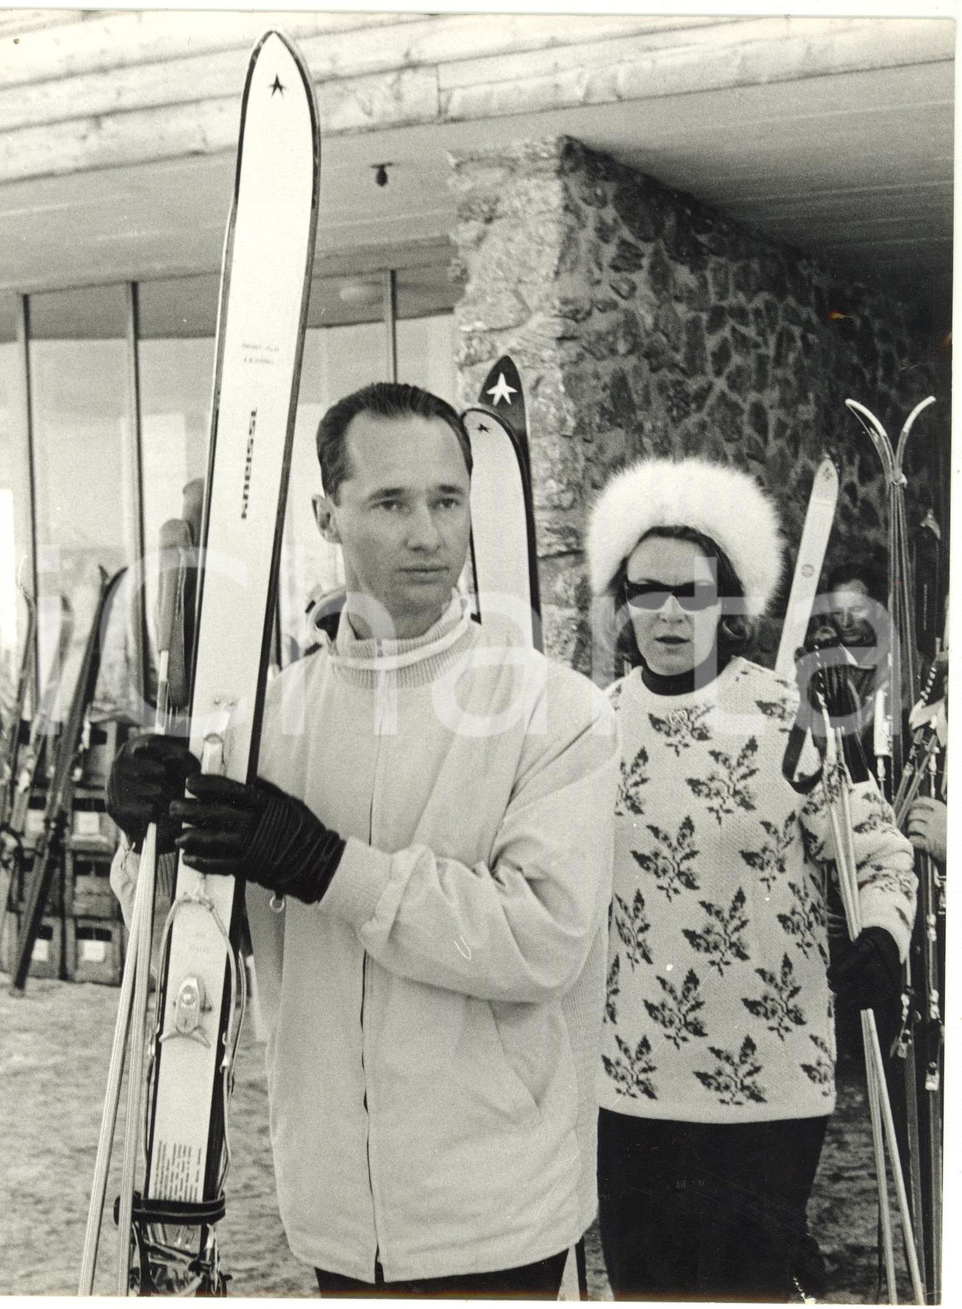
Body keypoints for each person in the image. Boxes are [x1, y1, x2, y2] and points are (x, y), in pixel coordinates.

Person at [106, 381, 618, 1298]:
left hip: (496, 1209)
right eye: (390, 502)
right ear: (325, 515)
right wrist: (145, 843)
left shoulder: (554, 711)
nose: (427, 533)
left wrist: (325, 864)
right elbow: (187, 954)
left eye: (446, 500)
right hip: (336, 1209)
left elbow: (540, 941)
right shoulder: (267, 718)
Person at [586, 456, 916, 1302]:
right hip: (632, 1082)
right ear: (621, 603)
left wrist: (882, 935)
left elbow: (876, 850)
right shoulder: (589, 727)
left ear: (726, 603)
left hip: (768, 1083)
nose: (665, 612)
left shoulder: (786, 713)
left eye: (688, 593)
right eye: (644, 590)